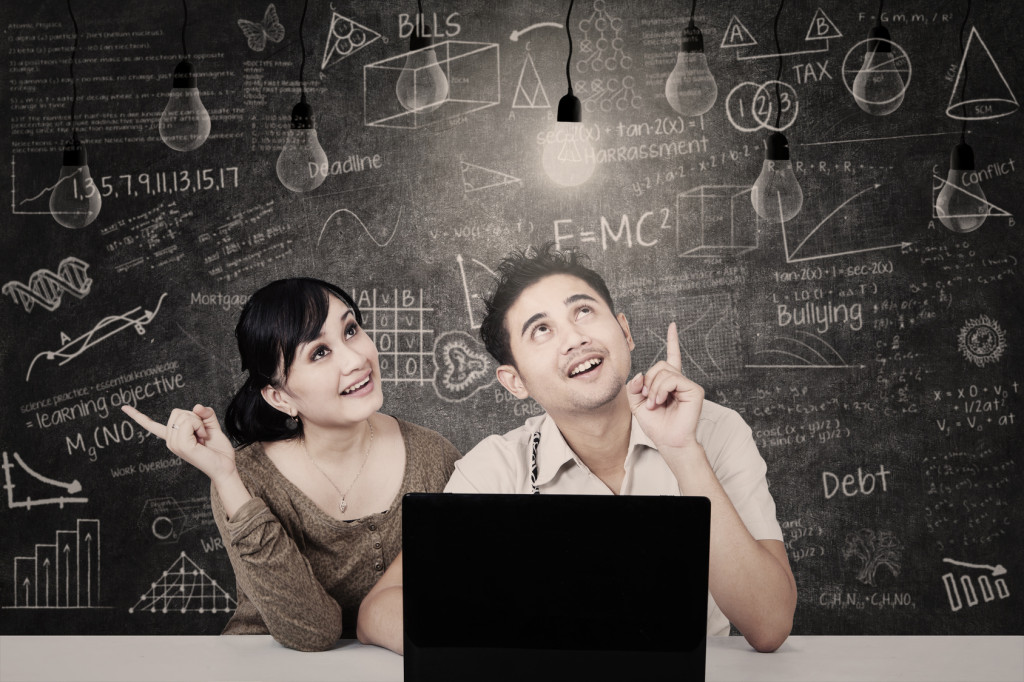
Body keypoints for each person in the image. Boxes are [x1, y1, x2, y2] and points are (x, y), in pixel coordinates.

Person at [444, 245, 797, 653]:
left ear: (625, 332)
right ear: (514, 382)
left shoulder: (716, 431)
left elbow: (769, 625)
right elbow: (395, 607)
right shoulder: (493, 471)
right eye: (541, 330)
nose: (575, 338)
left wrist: (682, 450)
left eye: (583, 312)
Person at [123, 277, 458, 653]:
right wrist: (226, 477)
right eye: (319, 352)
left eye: (350, 330)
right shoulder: (246, 478)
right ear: (280, 397)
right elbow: (313, 631)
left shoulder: (436, 457)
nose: (356, 359)